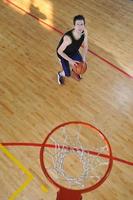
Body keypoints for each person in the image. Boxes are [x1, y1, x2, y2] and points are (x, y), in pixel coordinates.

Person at [56, 15, 88, 85]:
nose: (80, 27)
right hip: (63, 55)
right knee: (67, 74)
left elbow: (85, 46)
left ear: (84, 25)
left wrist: (84, 58)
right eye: (77, 24)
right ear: (74, 26)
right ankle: (60, 74)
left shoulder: (84, 32)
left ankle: (75, 71)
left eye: (81, 24)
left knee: (80, 63)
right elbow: (59, 51)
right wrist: (71, 61)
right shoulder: (68, 38)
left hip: (73, 51)